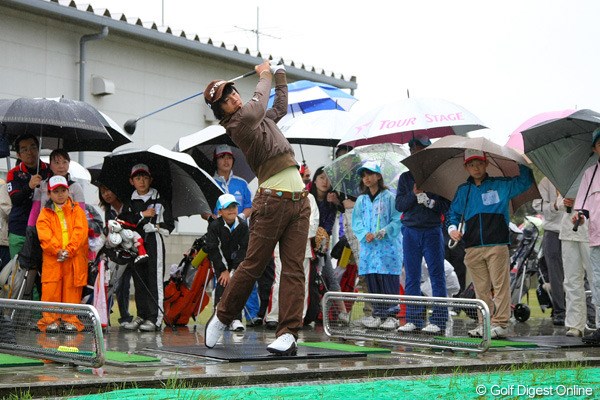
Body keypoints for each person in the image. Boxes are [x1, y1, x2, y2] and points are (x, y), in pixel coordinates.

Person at [203, 59, 310, 356]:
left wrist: (279, 74)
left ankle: (288, 332)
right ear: (220, 112)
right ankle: (223, 317)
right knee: (253, 264)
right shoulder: (238, 122)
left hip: (299, 202)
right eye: (224, 100)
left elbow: (280, 108)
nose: (232, 99)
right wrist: (264, 74)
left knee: (293, 269)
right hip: (272, 200)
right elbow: (259, 104)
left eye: (232, 93)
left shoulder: (257, 117)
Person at [448, 149, 534, 339]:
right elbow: (452, 215)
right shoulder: (464, 190)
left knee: (500, 285)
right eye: (471, 164)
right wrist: (452, 229)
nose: (476, 168)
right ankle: (483, 324)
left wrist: (520, 162)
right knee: (480, 288)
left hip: (497, 244)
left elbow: (525, 181)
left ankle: (501, 323)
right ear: (466, 167)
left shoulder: (500, 185)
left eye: (479, 163)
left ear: (486, 164)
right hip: (472, 247)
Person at [396, 135, 450, 334]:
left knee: (437, 275)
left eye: (420, 149)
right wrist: (413, 194)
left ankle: (439, 320)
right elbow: (399, 204)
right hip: (410, 230)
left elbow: (445, 206)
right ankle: (414, 318)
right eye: (413, 150)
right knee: (411, 276)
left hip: (432, 230)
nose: (416, 153)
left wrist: (429, 201)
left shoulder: (438, 177)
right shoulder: (405, 178)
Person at [120, 163, 175, 332]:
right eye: (138, 178)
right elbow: (124, 221)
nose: (141, 181)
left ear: (150, 179)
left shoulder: (159, 200)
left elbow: (169, 225)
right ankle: (141, 315)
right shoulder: (129, 202)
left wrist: (156, 227)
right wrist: (142, 215)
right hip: (136, 246)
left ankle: (155, 318)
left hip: (154, 244)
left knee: (154, 279)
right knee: (139, 280)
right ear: (132, 181)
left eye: (145, 177)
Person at [351, 161, 402, 329]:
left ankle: (391, 315)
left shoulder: (389, 197)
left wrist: (385, 231)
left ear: (378, 176)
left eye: (370, 174)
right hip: (369, 248)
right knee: (372, 280)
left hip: (387, 248)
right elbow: (356, 220)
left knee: (387, 279)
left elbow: (397, 219)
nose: (366, 178)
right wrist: (364, 233)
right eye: (364, 176)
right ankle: (377, 314)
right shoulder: (361, 200)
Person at [36, 176, 89, 333]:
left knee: (71, 290)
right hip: (54, 258)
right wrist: (58, 250)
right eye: (56, 191)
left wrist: (69, 250)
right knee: (51, 290)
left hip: (72, 258)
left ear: (68, 191)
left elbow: (80, 233)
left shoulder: (77, 210)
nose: (60, 194)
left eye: (63, 190)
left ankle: (70, 320)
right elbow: (44, 236)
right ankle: (50, 320)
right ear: (49, 193)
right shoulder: (44, 213)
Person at [308, 166, 348, 321]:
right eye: (321, 177)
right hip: (306, 242)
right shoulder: (308, 197)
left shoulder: (332, 199)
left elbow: (331, 222)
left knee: (330, 278)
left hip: (322, 244)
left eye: (328, 178)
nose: (325, 181)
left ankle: (343, 313)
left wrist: (336, 202)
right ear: (315, 180)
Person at [205, 194, 249, 332]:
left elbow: (244, 248)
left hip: (237, 262)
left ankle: (236, 319)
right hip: (219, 261)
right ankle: (219, 319)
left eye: (234, 206)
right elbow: (214, 249)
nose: (232, 210)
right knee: (223, 284)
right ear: (220, 211)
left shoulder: (242, 225)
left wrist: (234, 269)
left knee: (237, 286)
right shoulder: (214, 226)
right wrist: (224, 270)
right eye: (227, 207)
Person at [573, 128, 600, 345]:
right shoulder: (589, 175)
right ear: (594, 148)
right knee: (598, 283)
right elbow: (581, 210)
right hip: (597, 239)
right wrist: (578, 218)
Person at [7, 133, 50, 258]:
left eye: (33, 147)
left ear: (38, 149)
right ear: (19, 155)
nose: (29, 152)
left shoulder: (49, 170)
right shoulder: (13, 173)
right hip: (19, 229)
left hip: (44, 229)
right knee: (17, 270)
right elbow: (15, 200)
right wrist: (29, 186)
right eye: (24, 149)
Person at [532, 176, 566, 326]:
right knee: (555, 273)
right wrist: (554, 206)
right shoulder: (546, 181)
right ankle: (560, 311)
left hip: (575, 230)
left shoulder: (580, 175)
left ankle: (586, 312)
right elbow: (537, 205)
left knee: (579, 274)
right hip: (553, 231)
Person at [98, 184, 133, 327]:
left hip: (134, 247)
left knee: (127, 283)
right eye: (103, 191)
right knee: (117, 283)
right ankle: (122, 316)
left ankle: (127, 316)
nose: (106, 194)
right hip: (118, 252)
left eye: (108, 189)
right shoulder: (108, 211)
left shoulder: (128, 206)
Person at [28, 149, 86, 228]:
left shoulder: (75, 187)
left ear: (69, 164)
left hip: (68, 231)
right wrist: (30, 229)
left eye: (65, 162)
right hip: (45, 229)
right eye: (57, 163)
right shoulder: (41, 185)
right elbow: (35, 210)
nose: (61, 166)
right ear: (50, 165)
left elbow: (81, 214)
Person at [0, 180, 11, 271]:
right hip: (7, 240)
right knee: (6, 271)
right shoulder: (6, 187)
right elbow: (5, 211)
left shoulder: (37, 186)